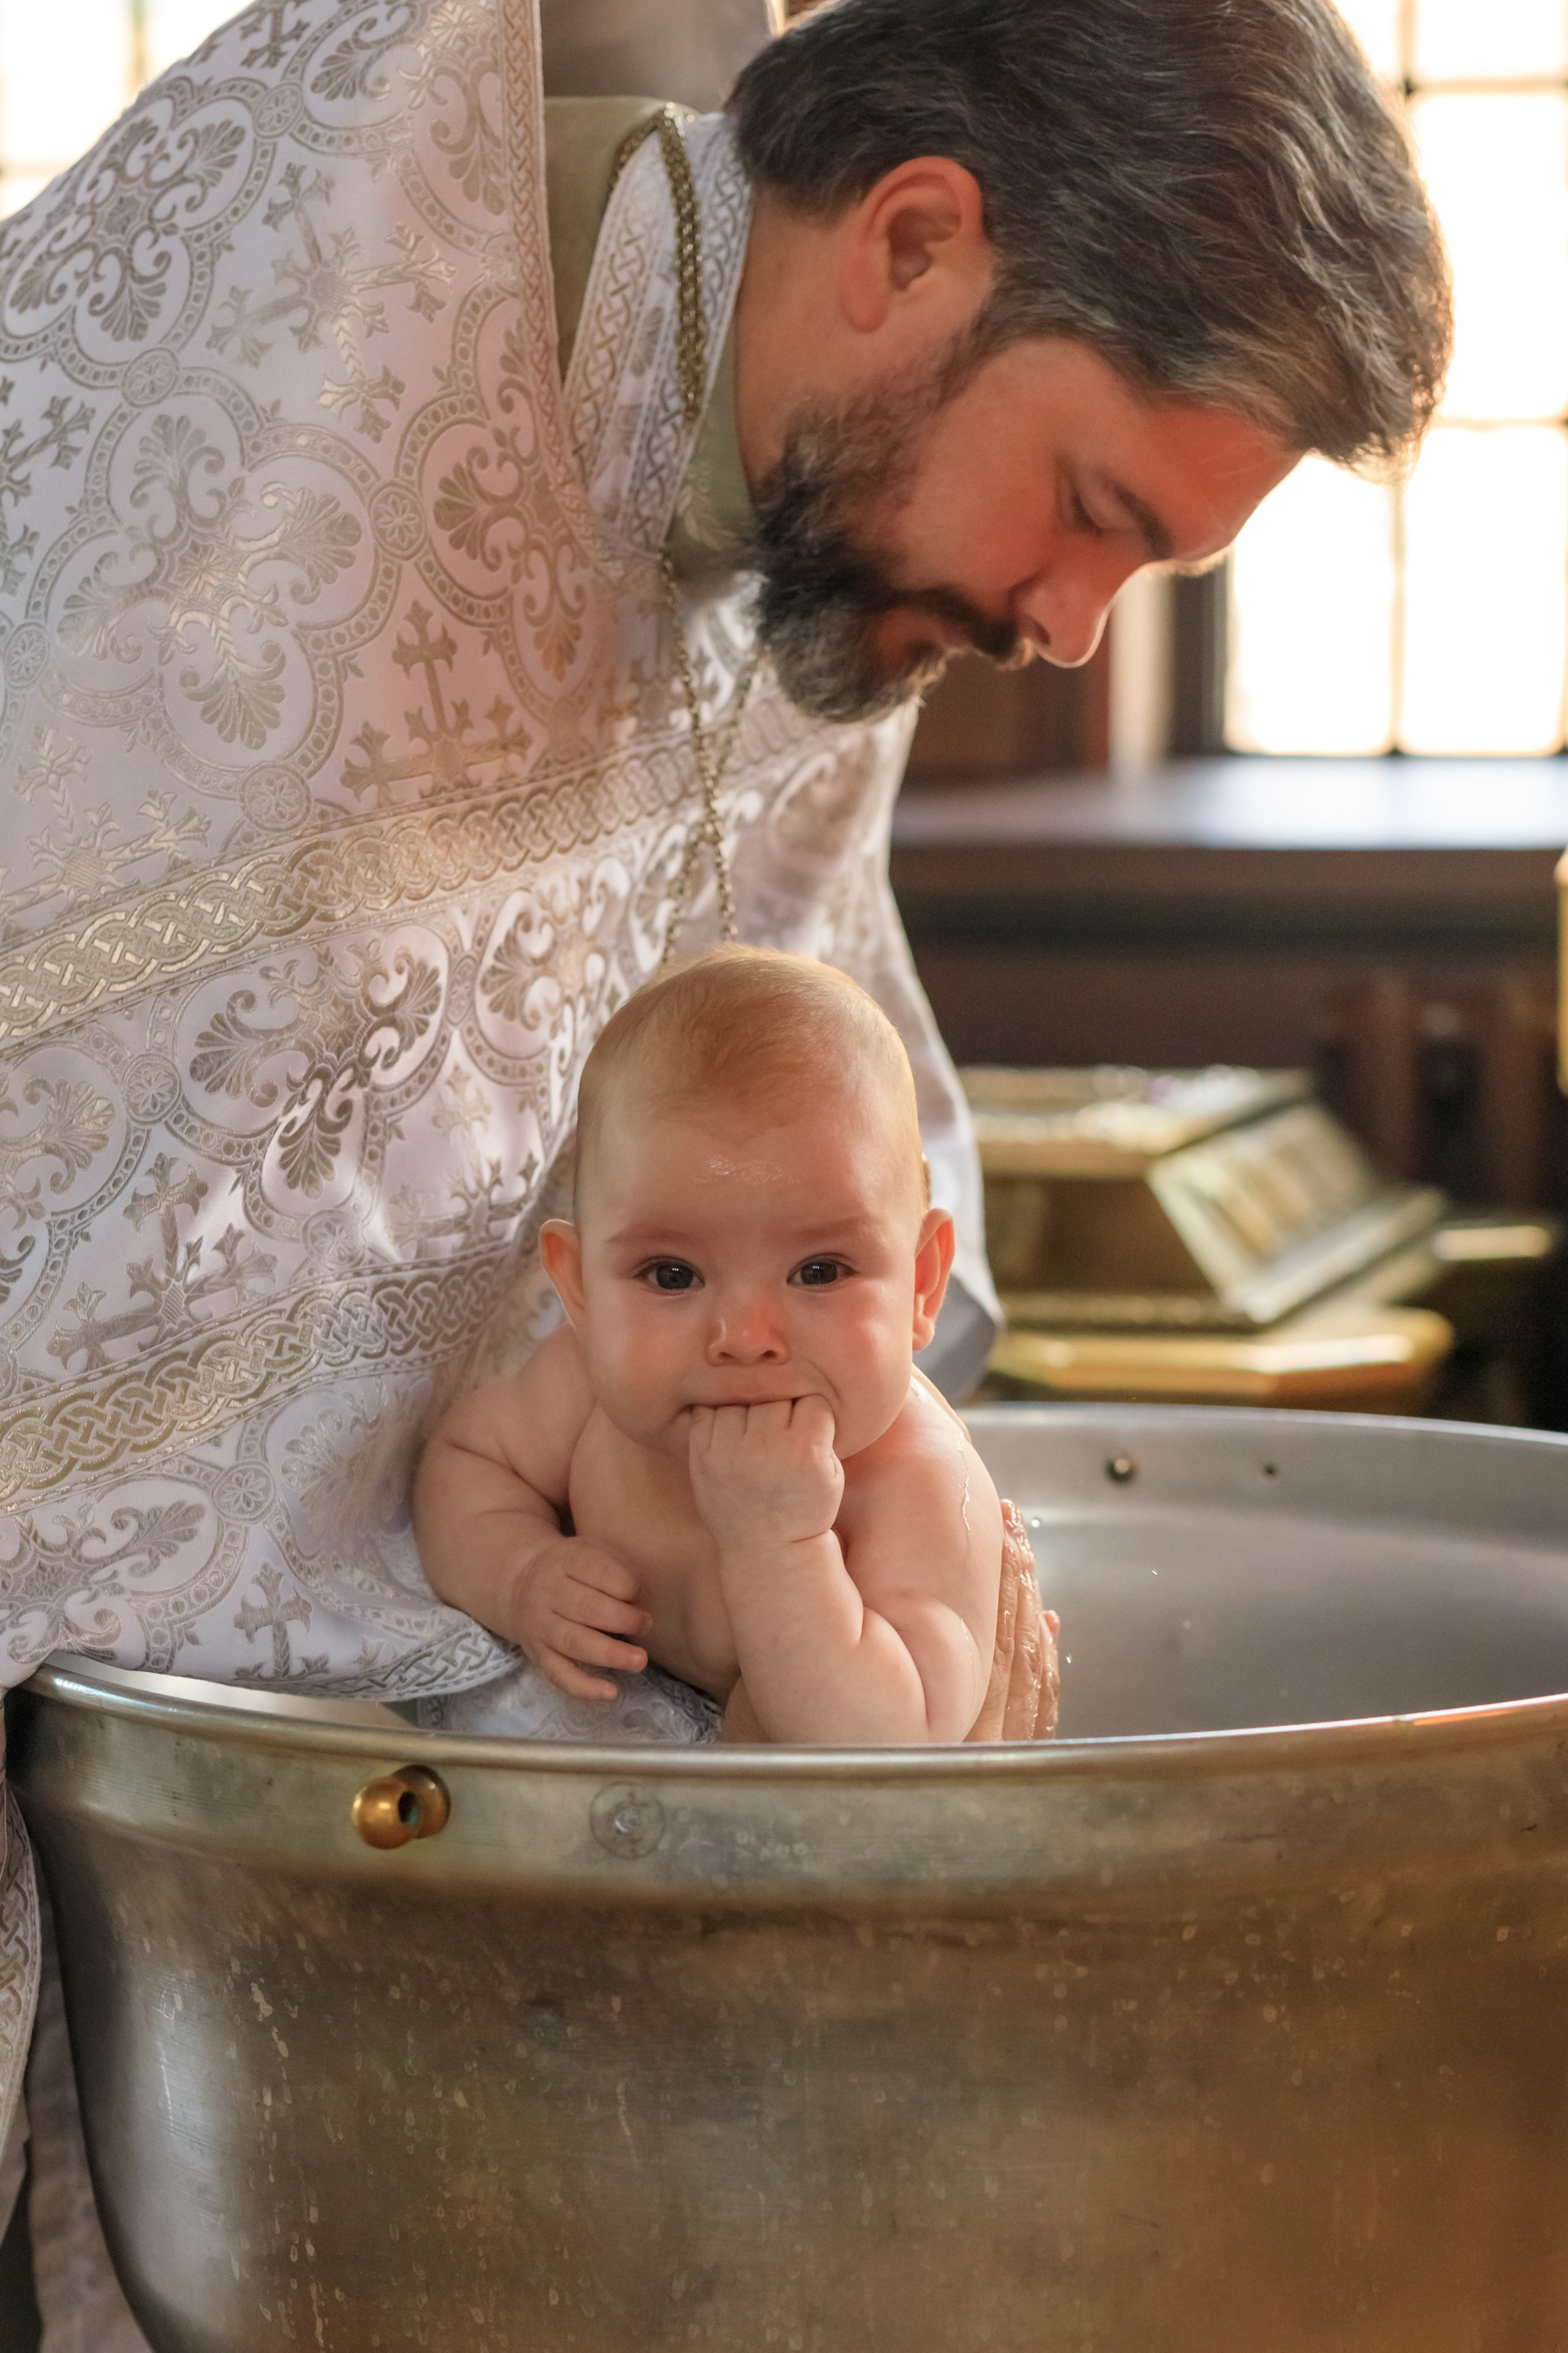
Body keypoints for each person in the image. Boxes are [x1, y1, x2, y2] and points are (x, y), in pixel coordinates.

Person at [0, 0, 1448, 2334]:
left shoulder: (815, 570)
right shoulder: (269, 460)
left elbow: (786, 1095)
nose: (1068, 624)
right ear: (912, 241)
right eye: (1092, 509)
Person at [414, 946, 1055, 1745]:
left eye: (820, 1270)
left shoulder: (909, 1482)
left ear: (922, 1284)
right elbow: (464, 1466)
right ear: (579, 1290)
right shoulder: (586, 1387)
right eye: (673, 1274)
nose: (746, 1338)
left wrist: (780, 1549)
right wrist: (520, 1573)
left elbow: (891, 1747)